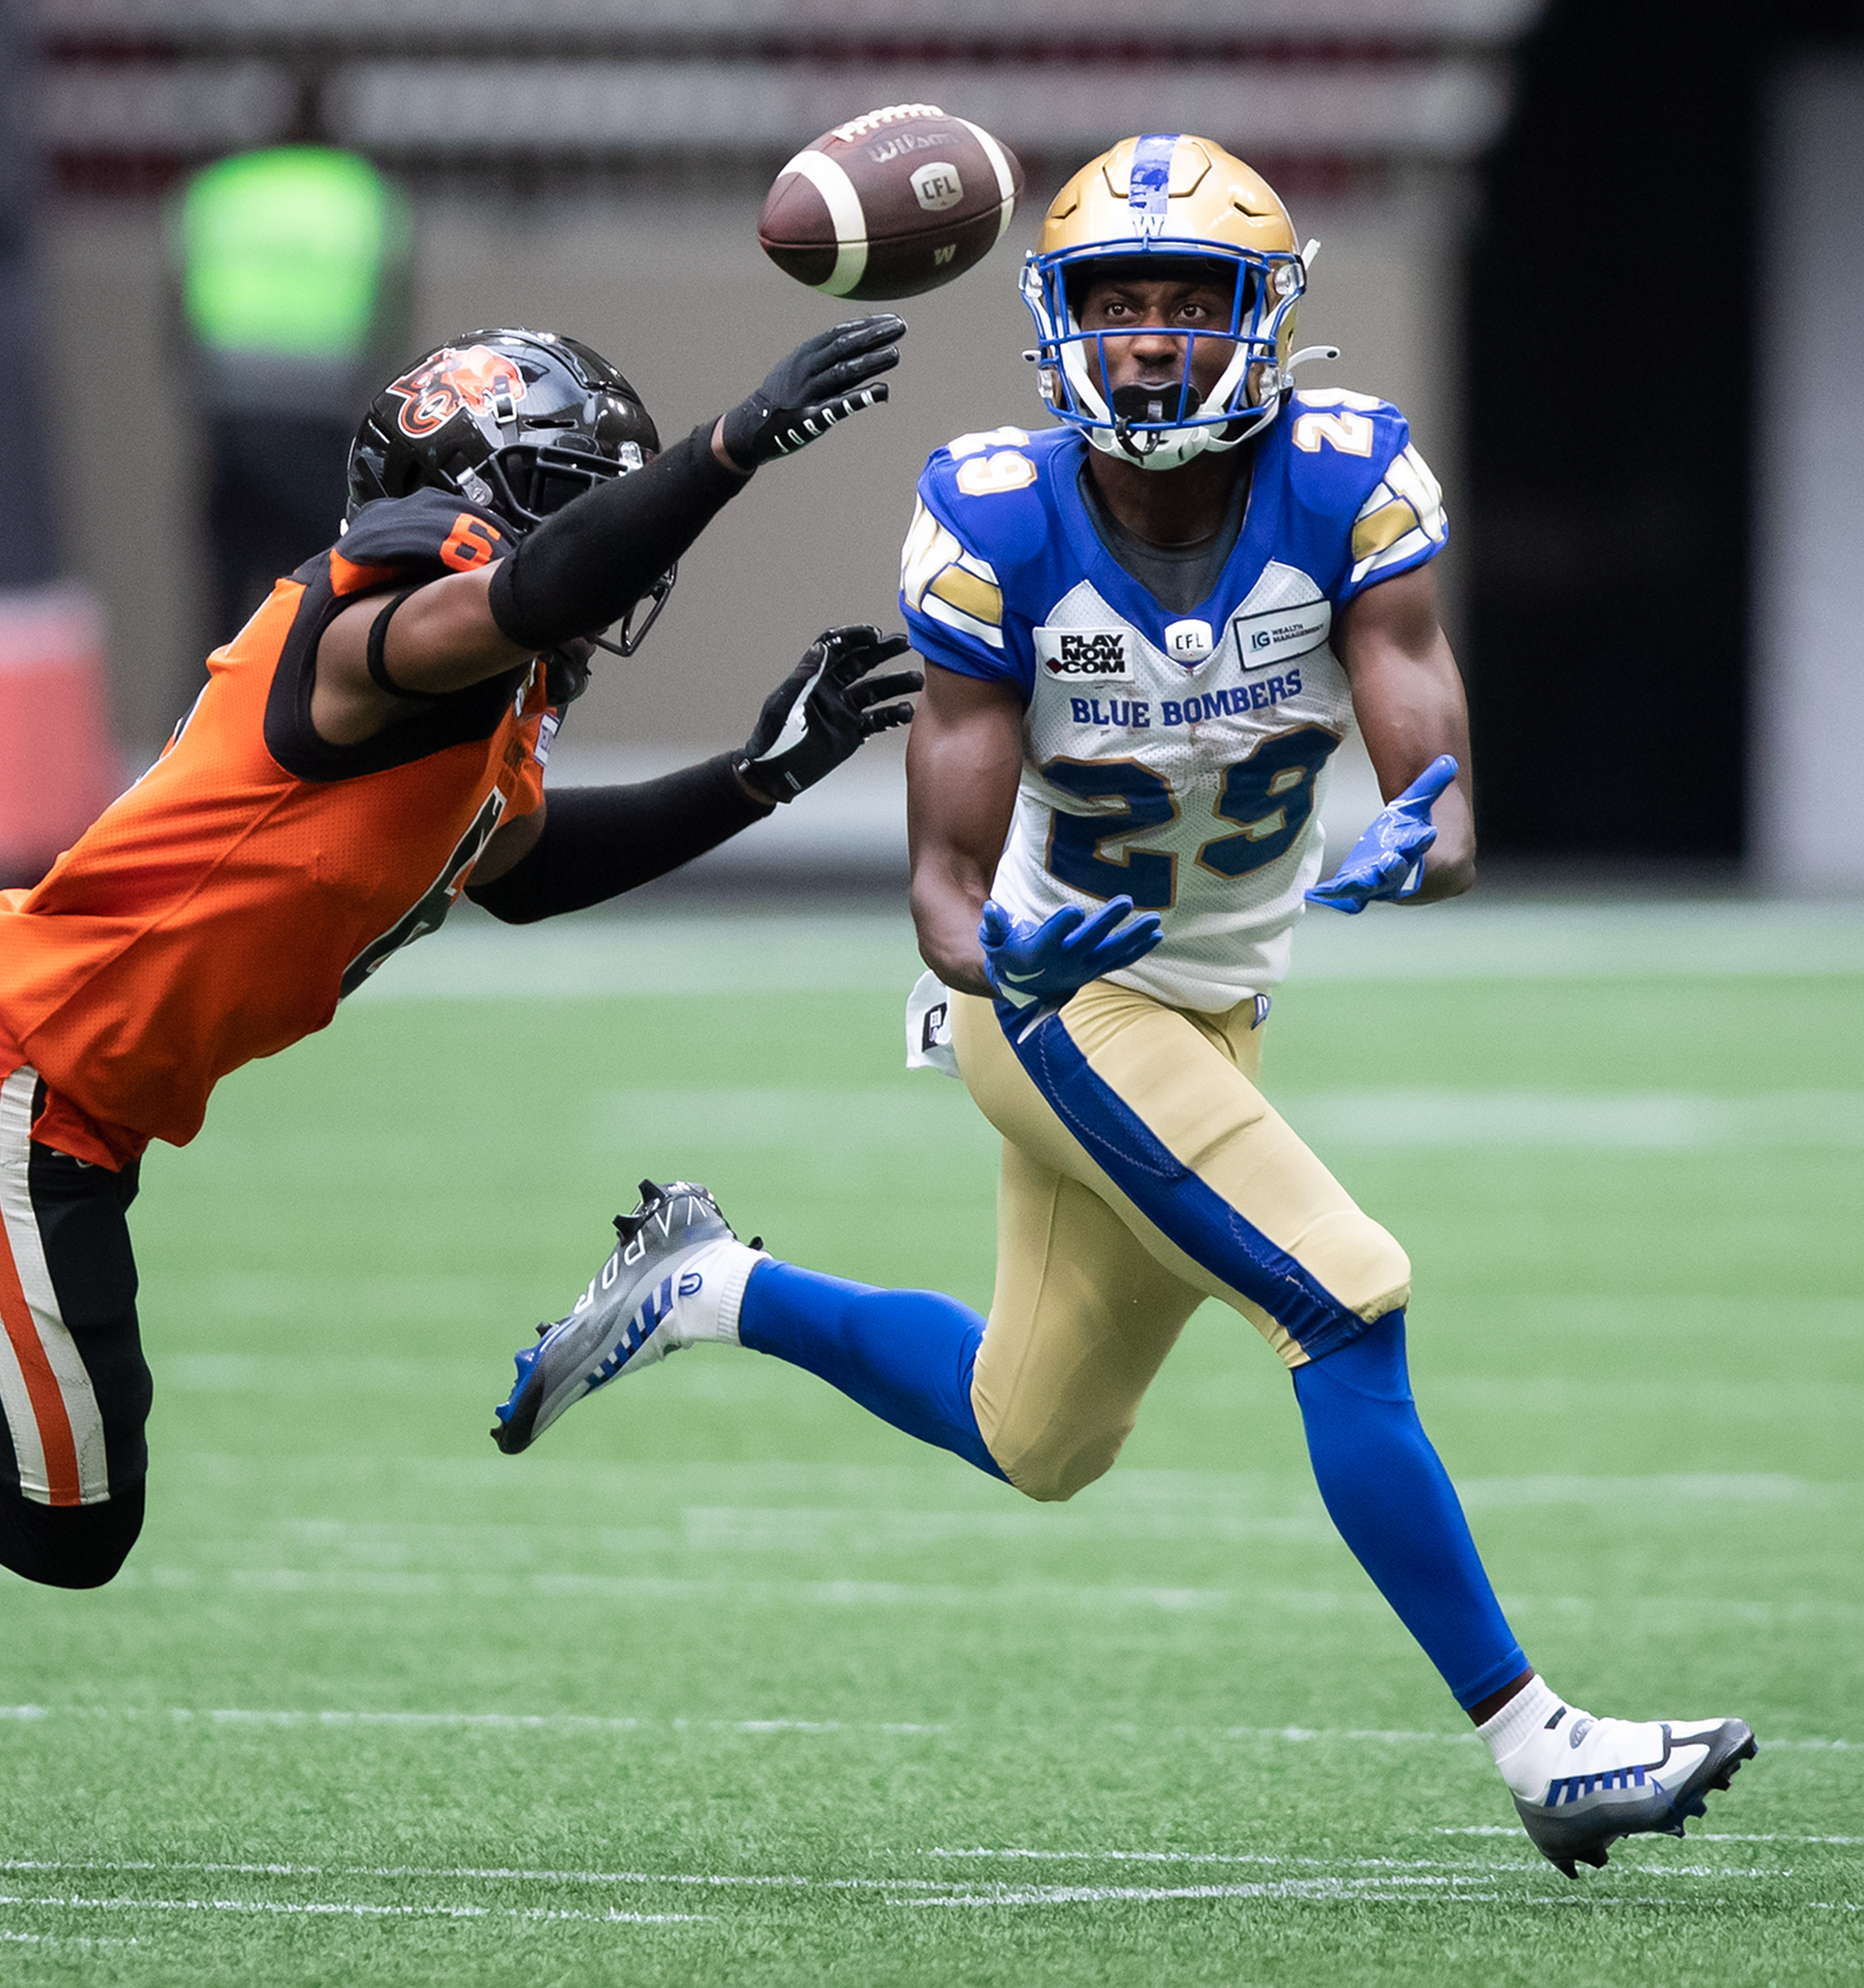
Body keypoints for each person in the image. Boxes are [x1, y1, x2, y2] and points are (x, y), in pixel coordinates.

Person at [0, 315, 919, 1871]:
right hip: (24, 1083)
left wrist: (752, 778)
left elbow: (525, 869)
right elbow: (538, 587)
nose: (593, 538)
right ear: (471, 496)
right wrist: (729, 448)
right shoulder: (371, 634)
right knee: (66, 1512)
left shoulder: (462, 723)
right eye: (561, 491)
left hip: (11, 1048)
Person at [489, 136, 1756, 1879]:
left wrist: (1418, 835)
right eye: (1117, 302)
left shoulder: (1349, 482)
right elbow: (942, 890)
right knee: (1348, 1297)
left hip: (1212, 1005)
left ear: (1263, 315)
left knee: (1038, 1433)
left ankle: (712, 1287)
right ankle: (1543, 1743)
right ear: (1059, 320)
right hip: (1057, 1004)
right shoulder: (1001, 513)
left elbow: (1446, 810)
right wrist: (1006, 962)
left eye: (1187, 302)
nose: (1151, 340)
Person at [176, 80, 413, 656]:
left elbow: (180, 317)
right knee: (314, 601)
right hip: (321, 421)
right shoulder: (365, 195)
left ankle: (205, 724)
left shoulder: (219, 190)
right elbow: (391, 314)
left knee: (223, 608)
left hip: (232, 418)